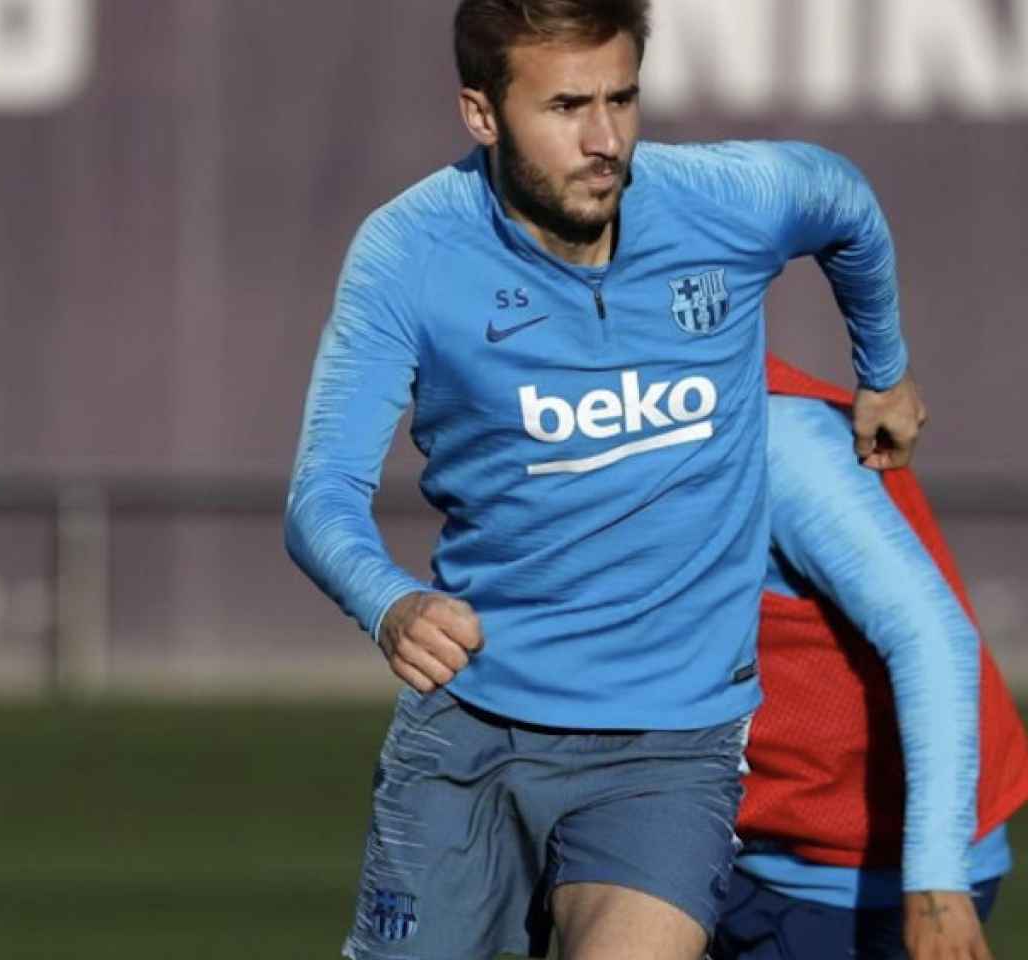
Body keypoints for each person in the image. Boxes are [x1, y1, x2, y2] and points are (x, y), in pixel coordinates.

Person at [284, 3, 924, 958]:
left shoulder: (725, 199)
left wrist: (884, 367)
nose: (605, 139)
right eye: (568, 105)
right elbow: (320, 498)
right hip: (473, 724)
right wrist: (392, 606)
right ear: (482, 113)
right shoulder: (407, 253)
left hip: (673, 741)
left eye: (622, 98)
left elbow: (844, 202)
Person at [711, 356, 1028, 960]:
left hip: (854, 880)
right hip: (718, 849)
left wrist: (936, 881)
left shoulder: (775, 439)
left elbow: (932, 637)